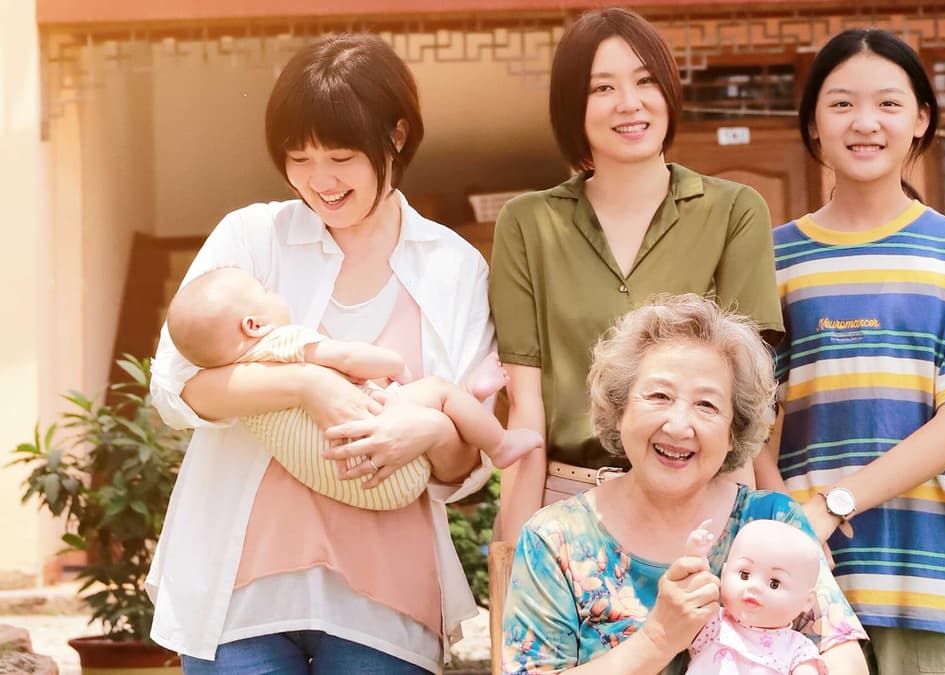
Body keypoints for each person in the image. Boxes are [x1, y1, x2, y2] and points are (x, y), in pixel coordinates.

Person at [147, 34, 496, 673]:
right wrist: (310, 386)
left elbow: (463, 468)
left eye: (341, 156)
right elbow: (178, 387)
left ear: (396, 136)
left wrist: (425, 431)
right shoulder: (253, 236)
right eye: (299, 157)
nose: (320, 180)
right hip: (239, 598)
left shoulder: (453, 266)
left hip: (386, 606)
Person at [756, 28, 945, 674]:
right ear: (814, 124)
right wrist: (787, 521)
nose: (865, 123)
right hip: (805, 582)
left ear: (920, 120)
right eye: (842, 104)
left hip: (941, 580)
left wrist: (833, 504)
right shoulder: (773, 257)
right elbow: (748, 421)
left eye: (888, 103)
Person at [488, 7, 783, 540]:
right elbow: (526, 410)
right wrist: (513, 550)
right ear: (572, 106)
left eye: (645, 80)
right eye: (603, 87)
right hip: (569, 511)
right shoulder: (527, 223)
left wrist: (737, 538)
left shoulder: (735, 210)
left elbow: (742, 406)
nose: (630, 102)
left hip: (699, 505)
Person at [501, 295, 868, 675]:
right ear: (620, 408)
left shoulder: (773, 521)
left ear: (734, 431)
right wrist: (658, 638)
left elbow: (844, 659)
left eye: (706, 405)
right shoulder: (557, 537)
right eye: (659, 396)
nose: (678, 426)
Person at [165, 266, 541, 510]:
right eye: (266, 291)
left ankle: (469, 394)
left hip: (356, 488)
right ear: (253, 325)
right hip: (392, 469)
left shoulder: (240, 385)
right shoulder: (281, 342)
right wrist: (393, 364)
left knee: (398, 397)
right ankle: (500, 443)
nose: (275, 294)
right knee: (438, 390)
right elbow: (348, 358)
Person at [684, 519, 826, 675]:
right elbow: (690, 594)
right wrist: (696, 555)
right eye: (744, 575)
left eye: (774, 584)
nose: (754, 586)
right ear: (724, 574)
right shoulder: (713, 623)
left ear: (807, 601)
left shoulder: (797, 649)